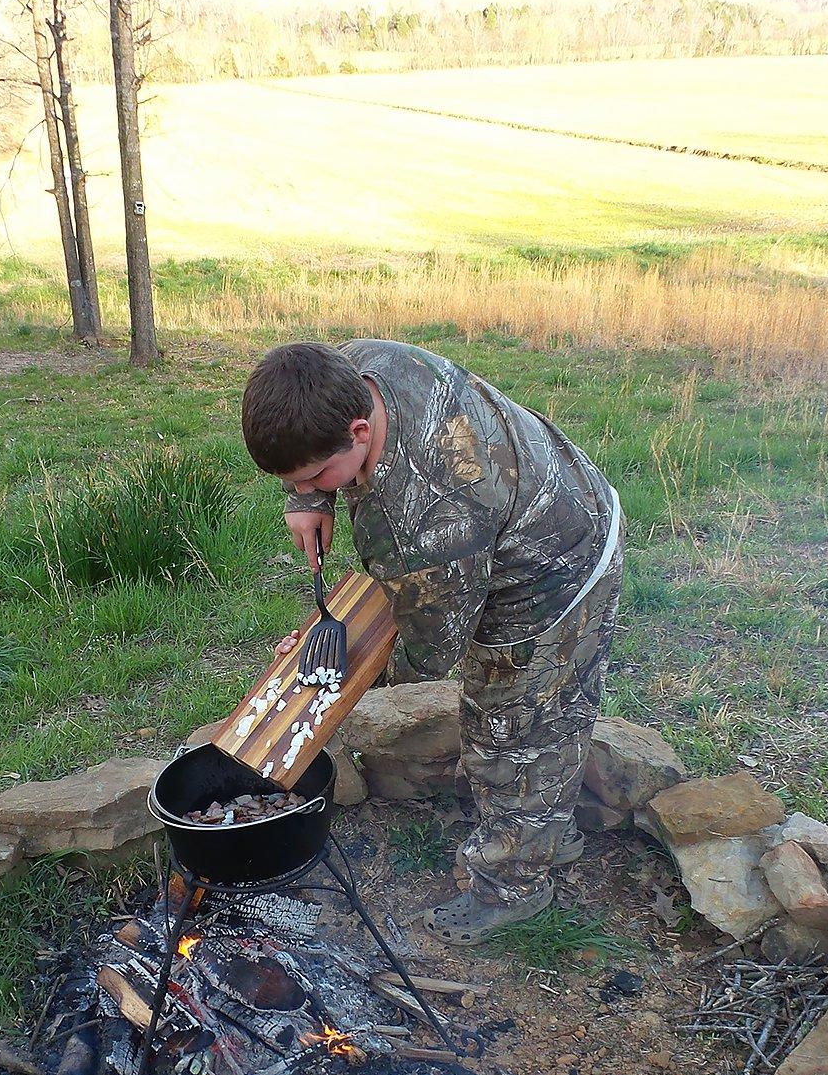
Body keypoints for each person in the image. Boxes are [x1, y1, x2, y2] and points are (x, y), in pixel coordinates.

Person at [240, 339, 624, 946]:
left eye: (316, 476)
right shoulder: (367, 366)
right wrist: (308, 496)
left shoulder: (425, 517)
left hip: (557, 567)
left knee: (519, 735)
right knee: (513, 719)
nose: (309, 488)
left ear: (360, 431)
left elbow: (432, 651)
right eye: (292, 480)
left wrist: (338, 665)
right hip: (532, 498)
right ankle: (537, 821)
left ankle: (515, 885)